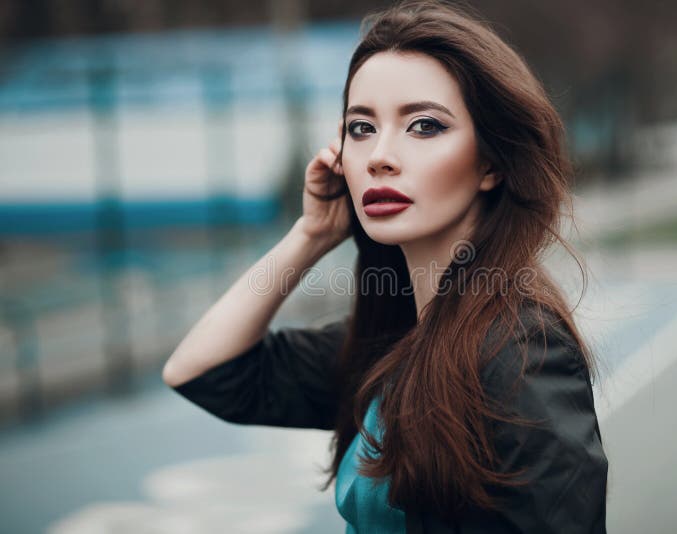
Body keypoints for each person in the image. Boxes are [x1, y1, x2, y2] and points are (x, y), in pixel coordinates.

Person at [162, 0, 609, 532]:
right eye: (360, 128)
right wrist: (310, 235)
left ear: (490, 162)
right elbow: (203, 373)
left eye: (423, 126)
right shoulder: (395, 342)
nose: (379, 155)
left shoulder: (519, 348)